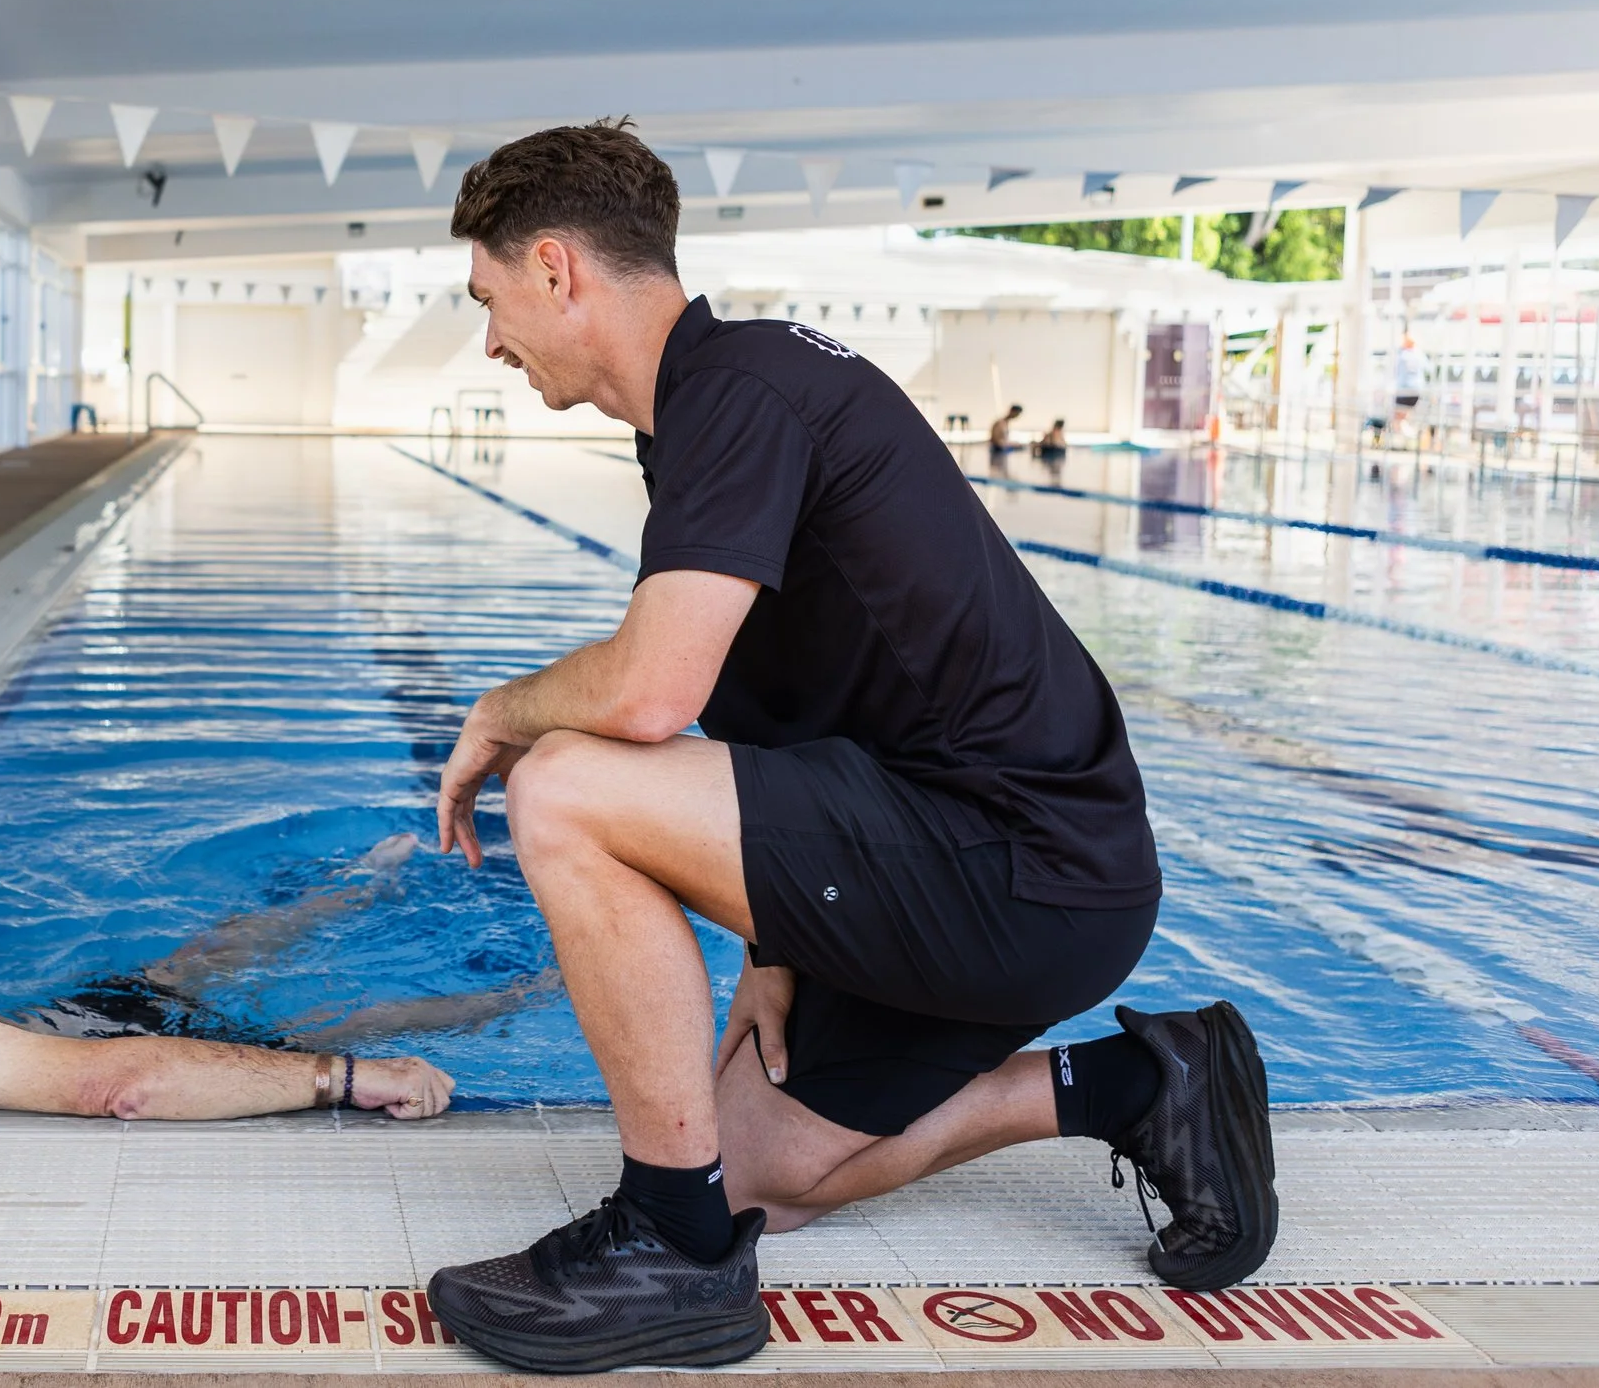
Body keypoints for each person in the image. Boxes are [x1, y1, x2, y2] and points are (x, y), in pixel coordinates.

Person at [420, 121, 1276, 1374]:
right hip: (990, 852)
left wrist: (501, 710)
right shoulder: (711, 406)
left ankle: (672, 1253)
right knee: (753, 1167)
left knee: (564, 783)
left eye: (489, 299)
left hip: (1016, 859)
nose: (490, 338)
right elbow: (777, 701)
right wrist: (780, 944)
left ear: (556, 269)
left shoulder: (739, 391)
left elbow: (654, 694)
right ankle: (1140, 1087)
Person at [0, 799, 457, 1120]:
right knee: (341, 1027)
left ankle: (361, 886)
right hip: (95, 1054)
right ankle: (536, 987)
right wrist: (355, 1079)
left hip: (49, 1029)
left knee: (203, 955)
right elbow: (125, 1086)